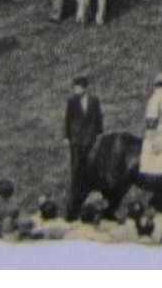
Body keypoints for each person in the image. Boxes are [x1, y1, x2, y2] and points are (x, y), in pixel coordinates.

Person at [63, 77, 103, 218]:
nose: (76, 90)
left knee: (91, 165)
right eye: (74, 87)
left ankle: (90, 188)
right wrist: (67, 137)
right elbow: (67, 119)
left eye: (78, 87)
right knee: (76, 168)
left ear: (85, 88)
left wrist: (99, 133)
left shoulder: (94, 101)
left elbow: (98, 118)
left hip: (90, 138)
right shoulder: (72, 102)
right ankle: (75, 195)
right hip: (77, 140)